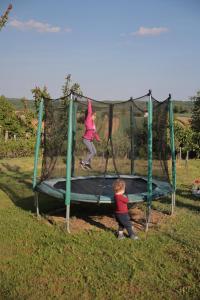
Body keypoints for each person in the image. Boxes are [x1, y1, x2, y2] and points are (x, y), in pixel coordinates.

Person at [80, 99, 100, 169]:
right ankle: (83, 162)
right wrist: (89, 102)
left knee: (94, 152)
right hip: (86, 139)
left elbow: (94, 132)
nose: (95, 117)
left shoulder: (93, 124)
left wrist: (97, 138)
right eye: (94, 115)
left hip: (90, 140)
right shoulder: (88, 120)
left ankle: (88, 163)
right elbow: (89, 111)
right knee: (91, 152)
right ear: (91, 116)